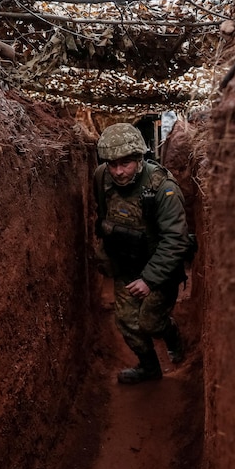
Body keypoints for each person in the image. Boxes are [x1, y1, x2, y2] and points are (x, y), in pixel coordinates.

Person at [93, 123, 191, 384]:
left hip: (160, 268)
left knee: (150, 323)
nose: (118, 171)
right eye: (112, 164)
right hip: (126, 264)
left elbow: (176, 240)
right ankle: (149, 368)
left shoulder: (164, 189)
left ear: (139, 158)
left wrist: (149, 279)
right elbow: (103, 215)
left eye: (125, 163)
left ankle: (170, 334)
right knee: (126, 322)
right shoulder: (101, 177)